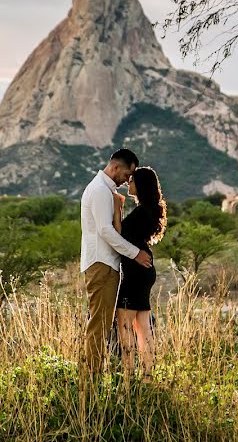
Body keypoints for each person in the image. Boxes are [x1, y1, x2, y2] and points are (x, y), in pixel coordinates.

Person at [80, 148, 153, 376]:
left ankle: (95, 376)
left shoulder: (105, 190)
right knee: (99, 325)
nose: (127, 181)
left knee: (101, 324)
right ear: (115, 167)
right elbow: (105, 231)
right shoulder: (100, 190)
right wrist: (135, 253)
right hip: (101, 265)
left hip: (105, 264)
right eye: (126, 175)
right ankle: (91, 379)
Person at [113, 166, 167, 380]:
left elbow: (118, 235)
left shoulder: (143, 211)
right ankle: (147, 375)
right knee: (143, 325)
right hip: (144, 271)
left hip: (136, 271)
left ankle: (128, 375)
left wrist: (117, 209)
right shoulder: (148, 209)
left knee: (125, 325)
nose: (128, 183)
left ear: (141, 185)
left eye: (132, 180)